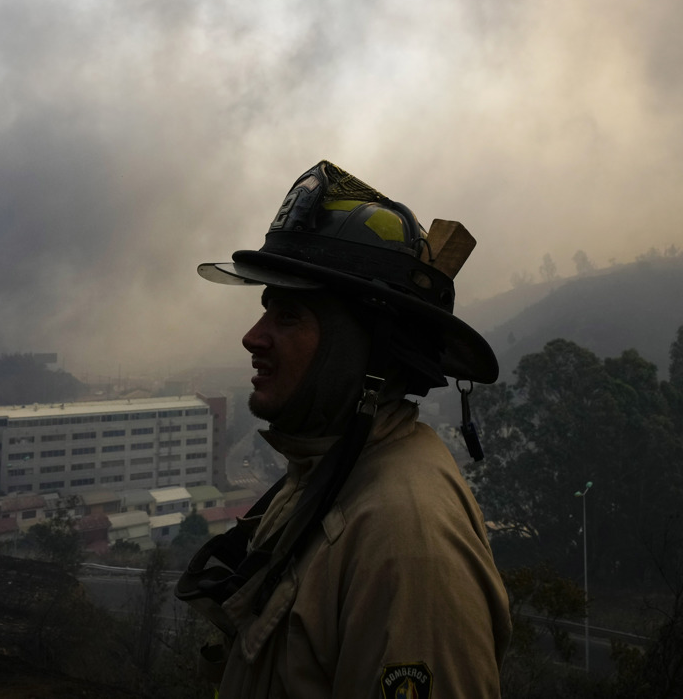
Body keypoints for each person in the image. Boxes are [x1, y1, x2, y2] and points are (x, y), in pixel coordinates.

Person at [178, 160, 510, 699]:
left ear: (363, 352)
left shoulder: (406, 544)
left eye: (289, 316)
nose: (252, 337)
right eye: (267, 310)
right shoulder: (325, 478)